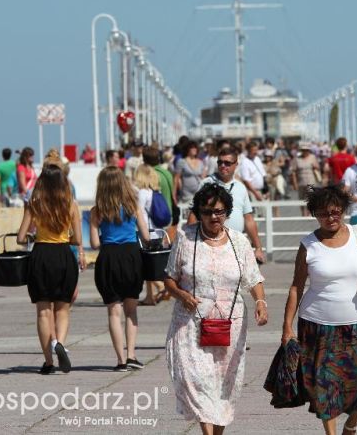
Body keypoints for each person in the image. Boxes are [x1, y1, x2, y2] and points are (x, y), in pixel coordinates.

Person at [281, 185, 357, 434]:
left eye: (335, 212)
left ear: (343, 211)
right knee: (324, 385)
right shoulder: (308, 245)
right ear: (314, 214)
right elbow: (296, 286)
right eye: (323, 213)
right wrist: (287, 326)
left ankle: (351, 425)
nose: (330, 218)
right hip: (317, 325)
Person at [164, 183, 267, 434]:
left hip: (230, 325)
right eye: (207, 212)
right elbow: (169, 278)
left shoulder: (239, 241)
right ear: (199, 212)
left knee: (224, 385)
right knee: (198, 381)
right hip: (190, 324)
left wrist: (261, 302)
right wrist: (181, 294)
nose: (213, 217)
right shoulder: (185, 238)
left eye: (219, 212)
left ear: (227, 212)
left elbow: (253, 278)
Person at [16, 156, 85, 375]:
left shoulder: (34, 203)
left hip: (41, 255)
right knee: (63, 308)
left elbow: (20, 237)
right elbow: (77, 239)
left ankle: (48, 362)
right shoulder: (71, 204)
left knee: (43, 312)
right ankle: (60, 344)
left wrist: (33, 234)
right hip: (64, 254)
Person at [89, 166, 150, 371]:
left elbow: (95, 243)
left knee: (113, 311)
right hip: (131, 257)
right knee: (131, 310)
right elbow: (146, 236)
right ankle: (132, 355)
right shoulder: (133, 206)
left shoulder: (97, 210)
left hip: (108, 258)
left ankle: (120, 360)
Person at [188, 146, 266, 264]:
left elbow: (249, 219)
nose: (223, 165)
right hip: (209, 244)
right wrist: (189, 242)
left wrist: (258, 248)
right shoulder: (206, 183)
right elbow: (194, 214)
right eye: (220, 162)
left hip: (235, 246)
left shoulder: (241, 187)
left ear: (236, 165)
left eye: (227, 163)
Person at [134, 164, 169, 306]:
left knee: (145, 264)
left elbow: (139, 213)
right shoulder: (155, 191)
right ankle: (149, 296)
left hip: (146, 232)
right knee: (150, 262)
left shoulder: (142, 193)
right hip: (157, 230)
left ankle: (160, 286)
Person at [291, 142, 320, 215]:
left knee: (311, 197)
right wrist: (294, 183)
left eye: (306, 150)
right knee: (301, 198)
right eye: (303, 150)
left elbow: (318, 167)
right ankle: (302, 213)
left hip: (311, 181)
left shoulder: (312, 157)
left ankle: (308, 212)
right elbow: (293, 171)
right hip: (301, 182)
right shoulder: (297, 159)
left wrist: (315, 166)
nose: (305, 151)